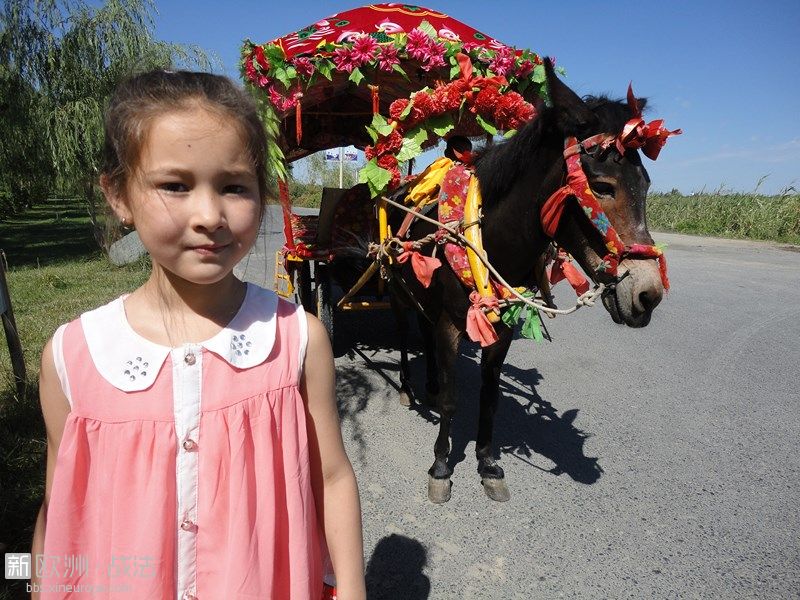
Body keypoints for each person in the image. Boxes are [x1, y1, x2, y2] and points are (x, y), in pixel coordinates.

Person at [31, 70, 365, 600]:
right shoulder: (73, 357)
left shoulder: (297, 339)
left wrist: (351, 590)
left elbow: (332, 479)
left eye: (234, 186)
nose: (209, 215)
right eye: (175, 185)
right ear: (118, 195)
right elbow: (61, 503)